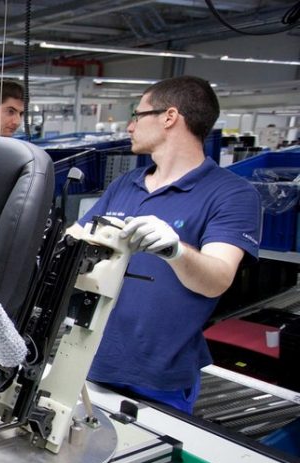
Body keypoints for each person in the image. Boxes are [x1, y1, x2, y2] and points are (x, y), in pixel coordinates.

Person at [69, 75, 261, 413]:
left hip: (160, 378)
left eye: (138, 115)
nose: (130, 126)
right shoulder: (125, 184)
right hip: (91, 359)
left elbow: (217, 279)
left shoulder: (232, 194)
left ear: (170, 117)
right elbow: (75, 240)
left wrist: (176, 251)